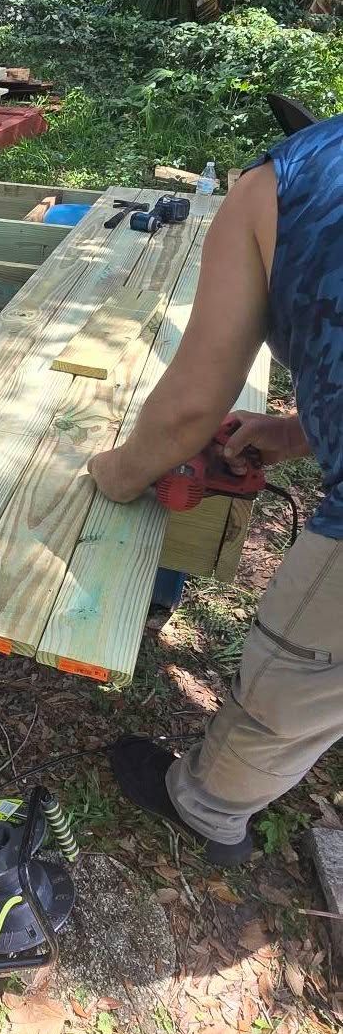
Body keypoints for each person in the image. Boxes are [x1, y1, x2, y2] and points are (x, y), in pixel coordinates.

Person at [87, 117, 343, 867]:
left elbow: (194, 404)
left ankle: (207, 807)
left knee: (299, 669)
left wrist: (120, 471)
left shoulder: (270, 187)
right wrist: (299, 433)